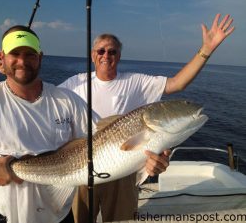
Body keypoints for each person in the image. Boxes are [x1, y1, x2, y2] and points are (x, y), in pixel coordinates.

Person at [58, 13, 235, 223]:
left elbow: (177, 83)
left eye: (112, 51)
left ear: (119, 56)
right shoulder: (74, 83)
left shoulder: (135, 81)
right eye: (101, 50)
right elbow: (47, 103)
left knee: (121, 219)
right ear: (93, 54)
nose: (106, 55)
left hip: (123, 169)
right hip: (81, 165)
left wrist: (206, 49)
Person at [0, 25, 99, 223]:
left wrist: (145, 156)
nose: (22, 61)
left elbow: (103, 138)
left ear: (40, 57)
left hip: (61, 218)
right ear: (2, 57)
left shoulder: (68, 101)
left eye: (30, 54)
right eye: (15, 53)